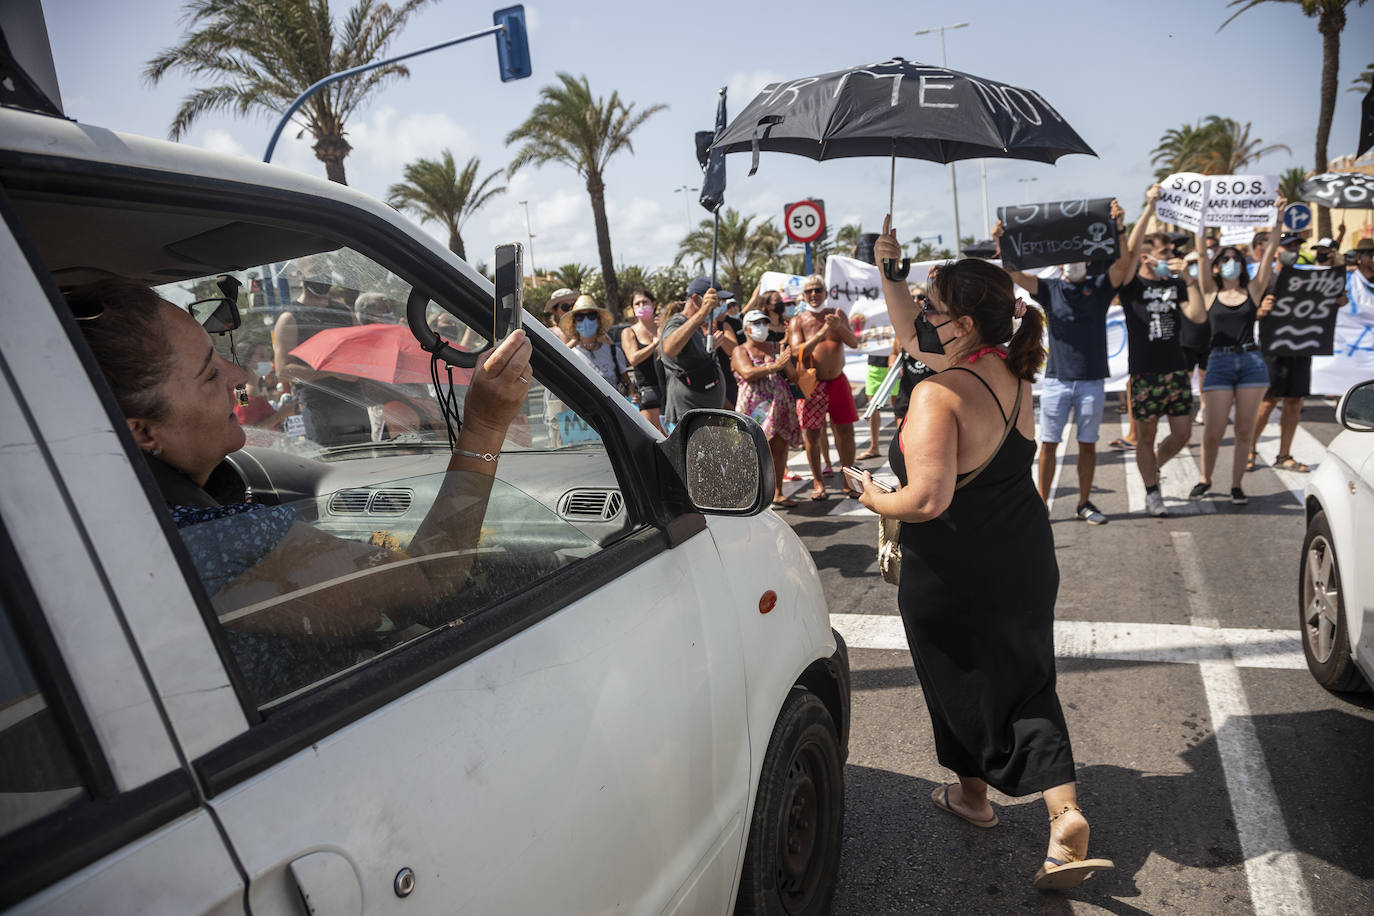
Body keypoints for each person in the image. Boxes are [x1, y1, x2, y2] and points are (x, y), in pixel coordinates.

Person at [68, 277, 531, 700]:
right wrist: (486, 425)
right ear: (142, 433)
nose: (240, 377)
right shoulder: (219, 542)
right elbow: (431, 581)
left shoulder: (104, 531)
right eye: (210, 375)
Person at [861, 219, 1113, 893]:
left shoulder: (938, 393)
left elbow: (924, 501)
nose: (921, 313)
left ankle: (974, 796)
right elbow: (918, 337)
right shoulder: (1009, 369)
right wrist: (891, 272)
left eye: (932, 306)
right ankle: (1063, 817)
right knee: (1028, 682)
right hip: (1025, 556)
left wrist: (871, 496)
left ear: (964, 323)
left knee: (957, 680)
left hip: (954, 569)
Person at [993, 198, 1137, 524]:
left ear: (1088, 262)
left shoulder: (1099, 288)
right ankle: (1041, 506)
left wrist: (1120, 228)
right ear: (1059, 264)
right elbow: (1014, 272)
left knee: (1088, 444)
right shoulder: (1050, 289)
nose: (1074, 264)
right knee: (1048, 445)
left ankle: (1084, 503)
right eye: (1069, 260)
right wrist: (1002, 239)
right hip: (1058, 379)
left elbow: (1122, 266)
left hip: (1091, 381)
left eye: (1080, 259)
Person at [1191, 202, 1285, 506]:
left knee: (1244, 430)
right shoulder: (1209, 290)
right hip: (1218, 361)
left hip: (1250, 362)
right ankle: (1206, 478)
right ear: (1218, 265)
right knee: (1214, 431)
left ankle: (1235, 485)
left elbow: (1270, 253)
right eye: (1225, 258)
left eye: (1235, 258)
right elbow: (1202, 255)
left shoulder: (1253, 290)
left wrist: (1279, 218)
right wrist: (1200, 220)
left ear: (1242, 264)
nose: (1231, 261)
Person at [1117, 229, 1207, 516]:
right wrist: (1148, 210)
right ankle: (1152, 492)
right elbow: (1127, 252)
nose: (1172, 257)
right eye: (1166, 253)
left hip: (1176, 370)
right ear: (1147, 256)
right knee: (1146, 436)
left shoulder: (1175, 284)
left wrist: (1189, 279)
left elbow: (1198, 315)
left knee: (1182, 435)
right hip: (1145, 373)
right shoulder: (1132, 284)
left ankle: (1152, 467)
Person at [790, 275, 862, 500]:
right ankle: (818, 482)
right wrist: (821, 333)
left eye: (817, 290)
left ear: (825, 292)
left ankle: (848, 481)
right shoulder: (798, 321)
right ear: (803, 295)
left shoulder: (838, 315)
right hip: (812, 384)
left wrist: (839, 327)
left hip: (838, 382)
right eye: (809, 291)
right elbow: (796, 352)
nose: (813, 294)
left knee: (845, 431)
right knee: (811, 434)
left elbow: (853, 342)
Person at [733, 309, 801, 508]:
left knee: (779, 449)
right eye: (756, 323)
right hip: (754, 409)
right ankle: (753, 495)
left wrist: (784, 360)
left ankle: (778, 492)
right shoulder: (740, 350)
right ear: (746, 328)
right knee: (752, 450)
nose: (761, 327)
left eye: (764, 323)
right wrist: (773, 366)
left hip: (779, 407)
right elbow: (747, 373)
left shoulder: (775, 347)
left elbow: (793, 376)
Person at [659, 277, 728, 428]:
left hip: (705, 417)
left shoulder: (696, 328)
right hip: (686, 419)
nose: (720, 306)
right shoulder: (677, 322)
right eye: (717, 302)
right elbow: (669, 348)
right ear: (696, 300)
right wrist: (703, 312)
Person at [561, 294, 631, 395]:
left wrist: (633, 395)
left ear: (598, 321)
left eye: (591, 316)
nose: (586, 321)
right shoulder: (571, 356)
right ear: (574, 323)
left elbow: (628, 384)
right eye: (580, 317)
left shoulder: (614, 352)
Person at [621, 289, 665, 433]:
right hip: (648, 393)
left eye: (644, 302)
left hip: (670, 390)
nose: (641, 306)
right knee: (652, 437)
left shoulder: (663, 327)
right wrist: (655, 344)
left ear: (653, 304)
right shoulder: (629, 332)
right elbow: (633, 359)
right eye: (637, 304)